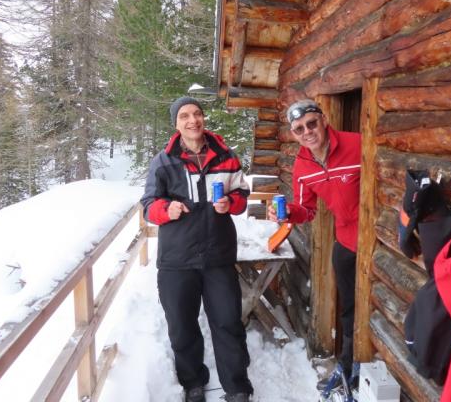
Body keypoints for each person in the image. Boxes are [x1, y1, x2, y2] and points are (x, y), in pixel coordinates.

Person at [141, 96, 253, 402]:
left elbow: (242, 193)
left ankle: (237, 387)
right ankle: (193, 383)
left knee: (228, 323)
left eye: (197, 114)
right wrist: (166, 209)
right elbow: (148, 206)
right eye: (185, 116)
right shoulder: (164, 162)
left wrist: (231, 203)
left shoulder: (226, 156)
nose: (193, 120)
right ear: (176, 124)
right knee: (182, 327)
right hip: (177, 261)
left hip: (218, 256)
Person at [267, 99, 361, 393]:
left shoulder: (357, 145)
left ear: (324, 120)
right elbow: (306, 210)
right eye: (299, 129)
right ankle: (349, 365)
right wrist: (287, 213)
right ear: (293, 134)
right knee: (349, 308)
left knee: (379, 305)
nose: (307, 132)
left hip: (377, 241)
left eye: (311, 124)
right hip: (345, 241)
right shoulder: (302, 166)